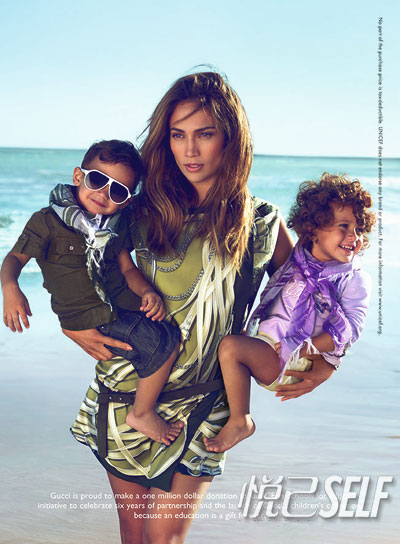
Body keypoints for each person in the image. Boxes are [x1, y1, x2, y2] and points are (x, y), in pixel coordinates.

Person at [63, 72, 336, 544]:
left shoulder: (261, 222)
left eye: (204, 134)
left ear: (230, 139)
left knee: (164, 539)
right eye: (178, 135)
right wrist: (72, 324)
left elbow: (317, 301)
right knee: (134, 535)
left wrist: (328, 358)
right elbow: (66, 255)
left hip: (207, 403)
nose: (190, 150)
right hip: (128, 394)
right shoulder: (138, 211)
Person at [1, 139, 182, 446]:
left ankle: (126, 400)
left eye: (118, 191)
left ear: (125, 201)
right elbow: (14, 259)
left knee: (165, 331)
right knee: (162, 345)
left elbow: (127, 269)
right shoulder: (47, 222)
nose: (103, 194)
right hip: (88, 315)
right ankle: (141, 413)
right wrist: (10, 288)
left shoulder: (115, 226)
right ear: (78, 176)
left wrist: (147, 292)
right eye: (97, 180)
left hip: (121, 305)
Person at [203, 173, 376, 453]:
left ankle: (241, 419)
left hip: (295, 361)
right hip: (268, 344)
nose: (353, 237)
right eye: (343, 226)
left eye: (358, 229)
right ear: (313, 229)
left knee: (230, 347)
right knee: (223, 341)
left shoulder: (353, 278)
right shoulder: (299, 258)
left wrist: (308, 347)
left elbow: (352, 329)